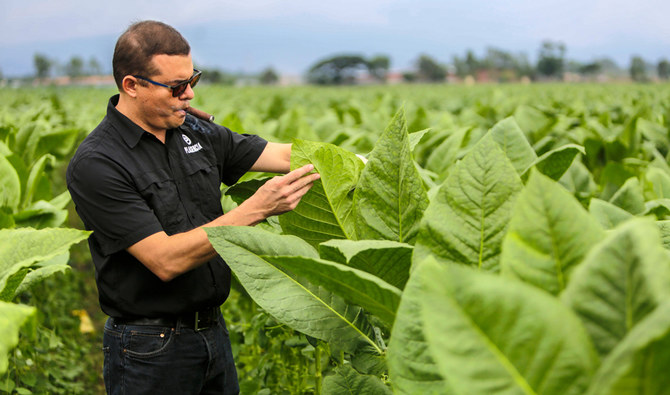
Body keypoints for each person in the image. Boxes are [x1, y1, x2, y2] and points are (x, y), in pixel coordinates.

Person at [66, 20, 320, 394]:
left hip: (212, 333)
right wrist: (256, 209)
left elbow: (280, 154)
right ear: (131, 86)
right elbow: (165, 260)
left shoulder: (195, 131)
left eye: (193, 81)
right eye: (176, 87)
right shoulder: (98, 163)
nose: (190, 96)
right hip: (149, 347)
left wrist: (365, 163)